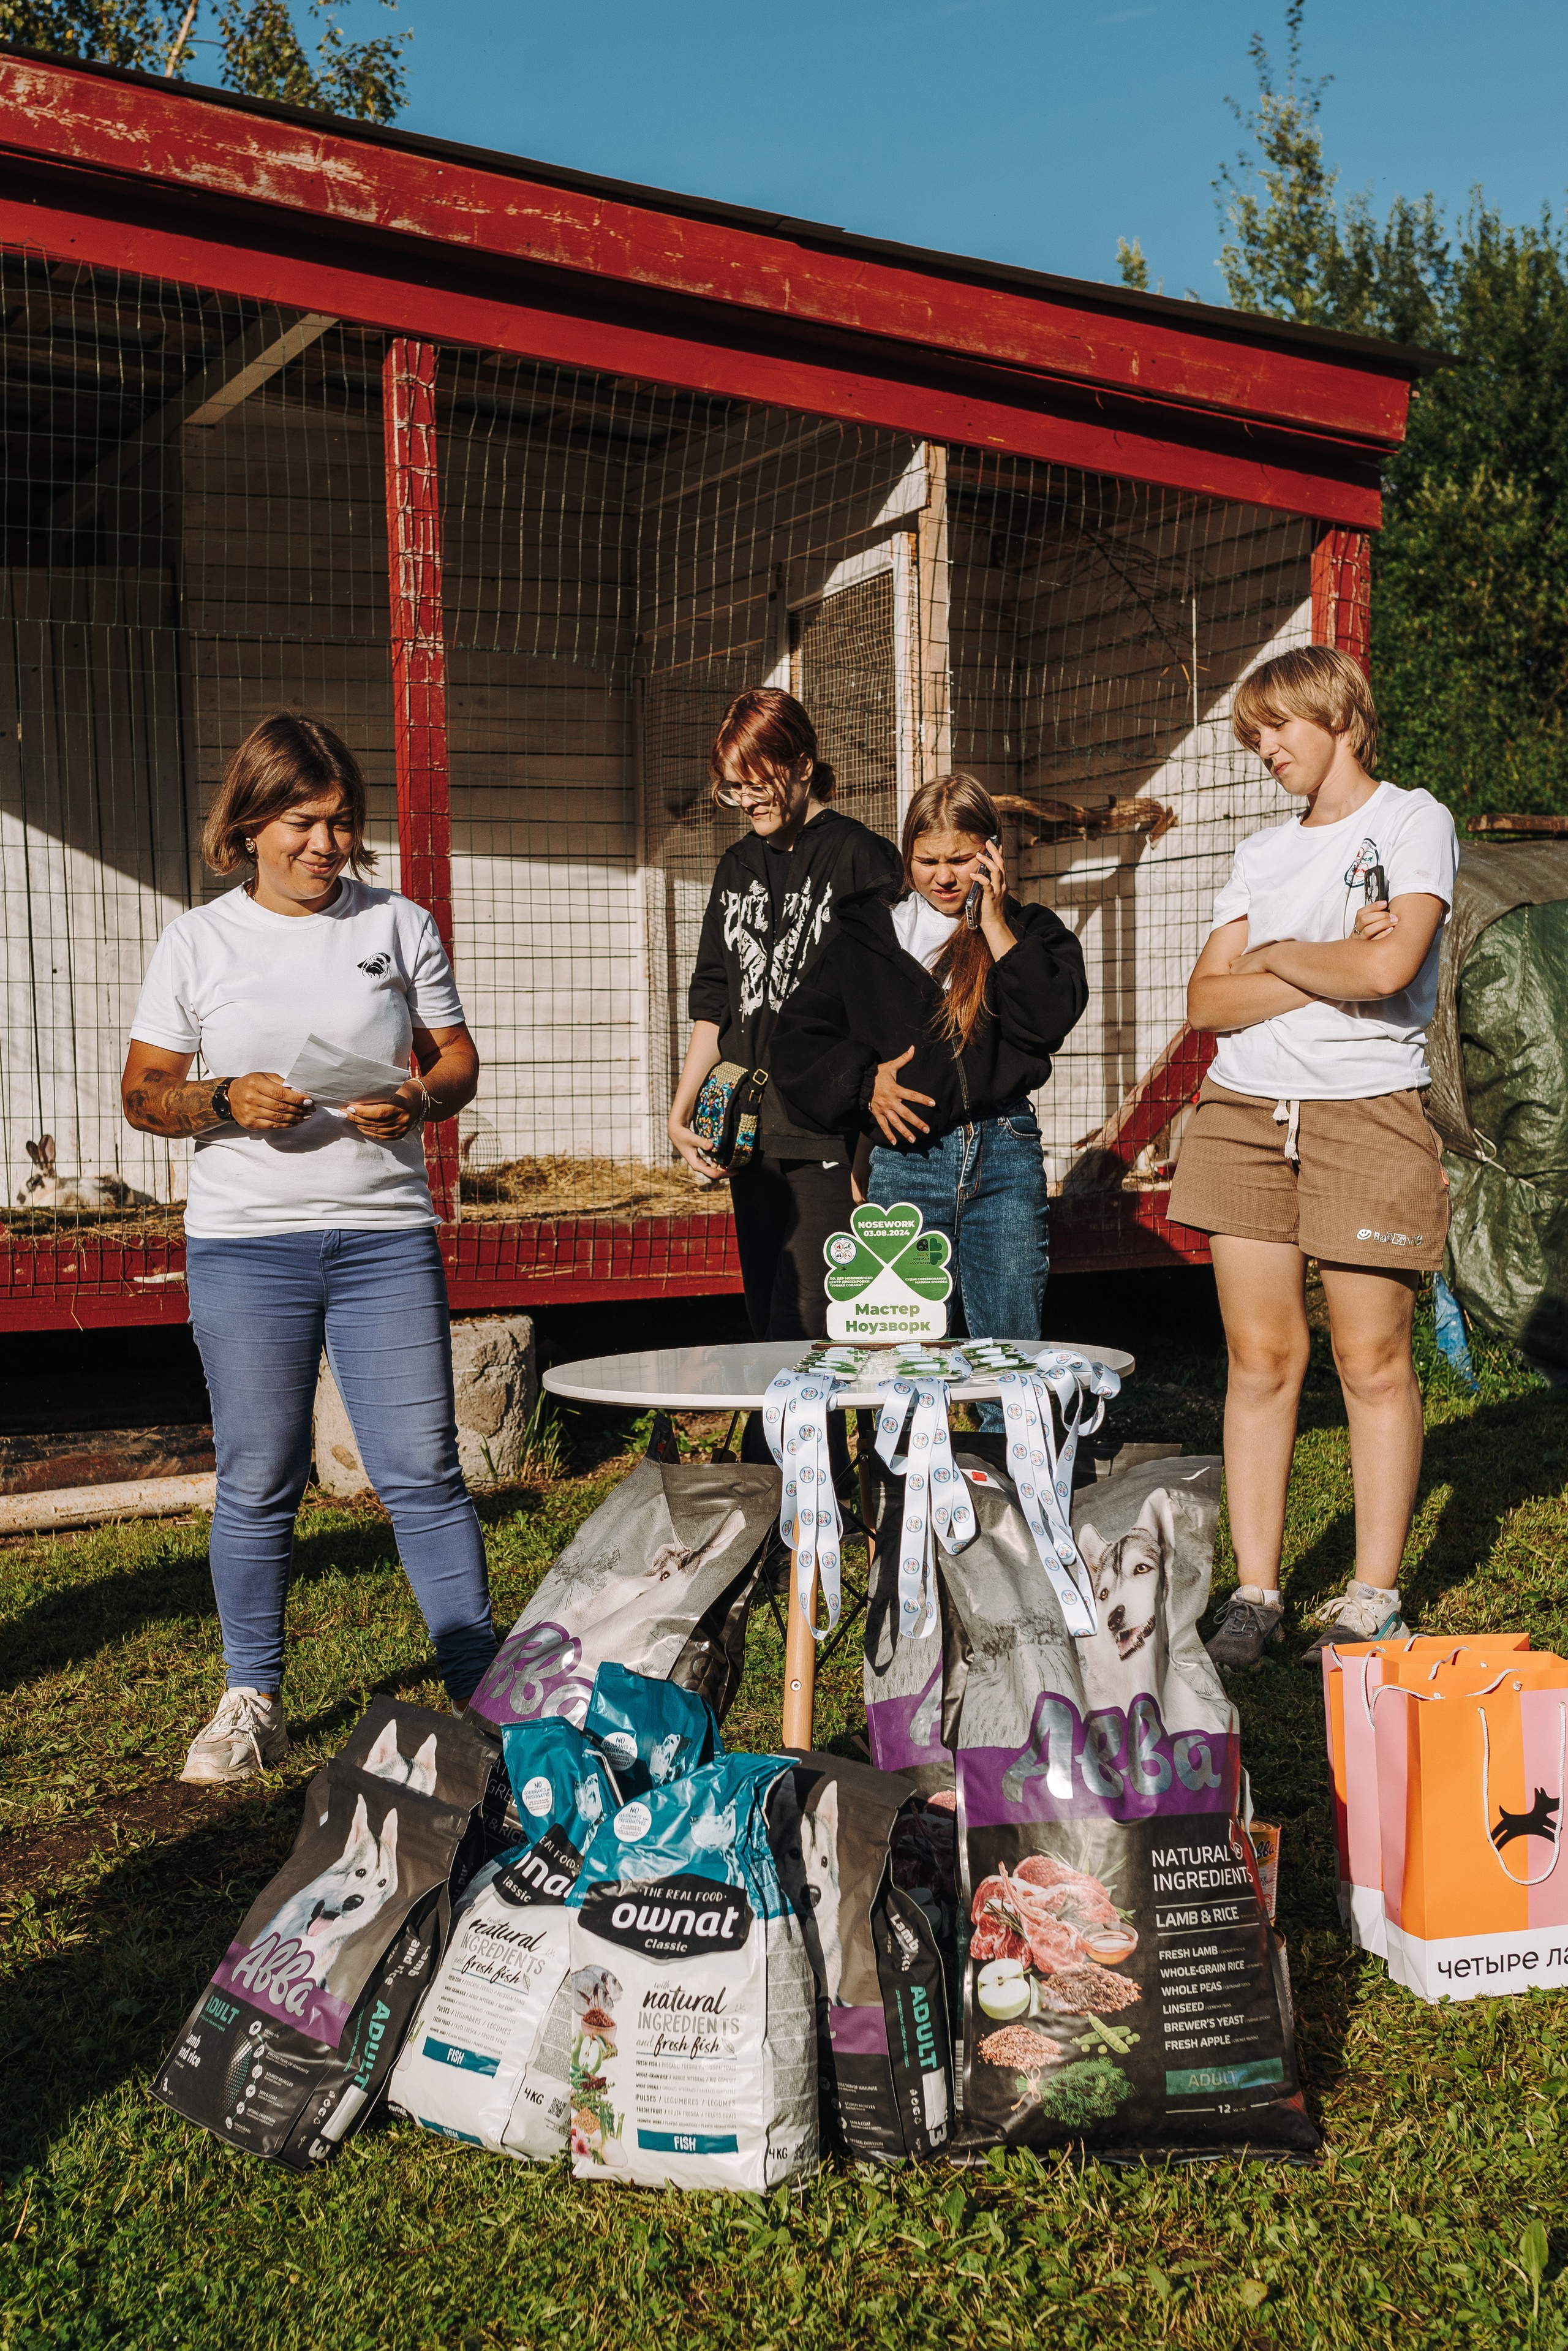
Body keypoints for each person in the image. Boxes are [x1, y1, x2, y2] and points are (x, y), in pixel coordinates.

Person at [121, 713, 499, 1783]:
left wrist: (421, 1097)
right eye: (303, 822)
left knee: (422, 1469)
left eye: (341, 822)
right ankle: (254, 1695)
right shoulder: (199, 939)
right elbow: (144, 1092)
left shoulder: (400, 923)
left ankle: (481, 1681)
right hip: (247, 1242)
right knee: (259, 1475)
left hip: (383, 1237)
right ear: (249, 824)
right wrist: (222, 1099)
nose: (327, 845)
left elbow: (458, 1056)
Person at [1167, 645, 1458, 1669]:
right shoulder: (1261, 851)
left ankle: (1373, 1596)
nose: (1265, 749)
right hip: (1245, 1111)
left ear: (1338, 714)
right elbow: (1207, 1002)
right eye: (1253, 736)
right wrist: (1323, 956)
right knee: (1260, 1357)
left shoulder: (1412, 821)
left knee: (1371, 1358)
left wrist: (1275, 956)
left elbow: (1391, 964)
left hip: (1366, 1111)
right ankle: (1256, 1595)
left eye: (1278, 727)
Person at [769, 771, 1087, 1417]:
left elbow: (1046, 1021)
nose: (944, 876)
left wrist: (995, 923)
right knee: (901, 1369)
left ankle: (1017, 1507)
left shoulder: (1033, 932)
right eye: (928, 860)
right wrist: (863, 1082)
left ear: (992, 854)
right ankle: (906, 1509)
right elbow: (796, 1038)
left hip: (1005, 1153)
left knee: (1009, 1362)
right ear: (906, 855)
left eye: (962, 859)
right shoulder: (865, 936)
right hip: (909, 1163)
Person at [668, 687, 902, 1355]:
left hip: (824, 1126)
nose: (746, 800)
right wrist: (682, 1113)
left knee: (808, 1322)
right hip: (745, 1131)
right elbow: (715, 999)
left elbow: (889, 1009)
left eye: (757, 781)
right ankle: (793, 1455)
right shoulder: (737, 865)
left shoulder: (862, 858)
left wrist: (869, 1150)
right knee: (764, 1308)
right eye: (733, 788)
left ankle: (788, 1455)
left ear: (802, 763)